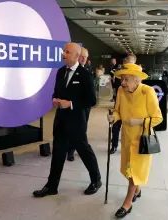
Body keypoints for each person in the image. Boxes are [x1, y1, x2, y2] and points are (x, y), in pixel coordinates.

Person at [33, 43, 102, 197]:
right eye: (64, 51)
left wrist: (70, 104)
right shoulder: (60, 72)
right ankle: (52, 186)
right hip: (61, 121)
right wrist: (55, 99)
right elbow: (56, 92)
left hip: (77, 122)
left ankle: (96, 180)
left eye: (67, 52)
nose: (63, 53)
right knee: (58, 153)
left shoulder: (85, 75)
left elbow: (91, 100)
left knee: (84, 151)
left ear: (76, 56)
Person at [107, 63, 163, 218]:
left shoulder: (148, 92)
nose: (122, 83)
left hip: (142, 139)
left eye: (126, 79)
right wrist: (113, 117)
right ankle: (137, 190)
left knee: (134, 172)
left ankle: (127, 202)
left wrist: (139, 121)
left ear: (137, 81)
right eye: (122, 79)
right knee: (129, 170)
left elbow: (158, 118)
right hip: (126, 137)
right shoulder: (120, 91)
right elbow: (118, 111)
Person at [110, 53, 137, 154]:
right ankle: (114, 145)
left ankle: (130, 147)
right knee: (116, 125)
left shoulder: (138, 75)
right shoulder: (120, 73)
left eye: (130, 63)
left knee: (131, 127)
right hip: (121, 102)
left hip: (133, 106)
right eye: (126, 63)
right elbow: (118, 86)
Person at [67, 47, 91, 161]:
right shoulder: (69, 71)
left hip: (85, 106)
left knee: (82, 128)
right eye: (82, 56)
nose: (84, 59)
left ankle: (79, 148)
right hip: (73, 106)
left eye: (86, 57)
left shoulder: (87, 70)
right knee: (73, 129)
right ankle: (71, 151)